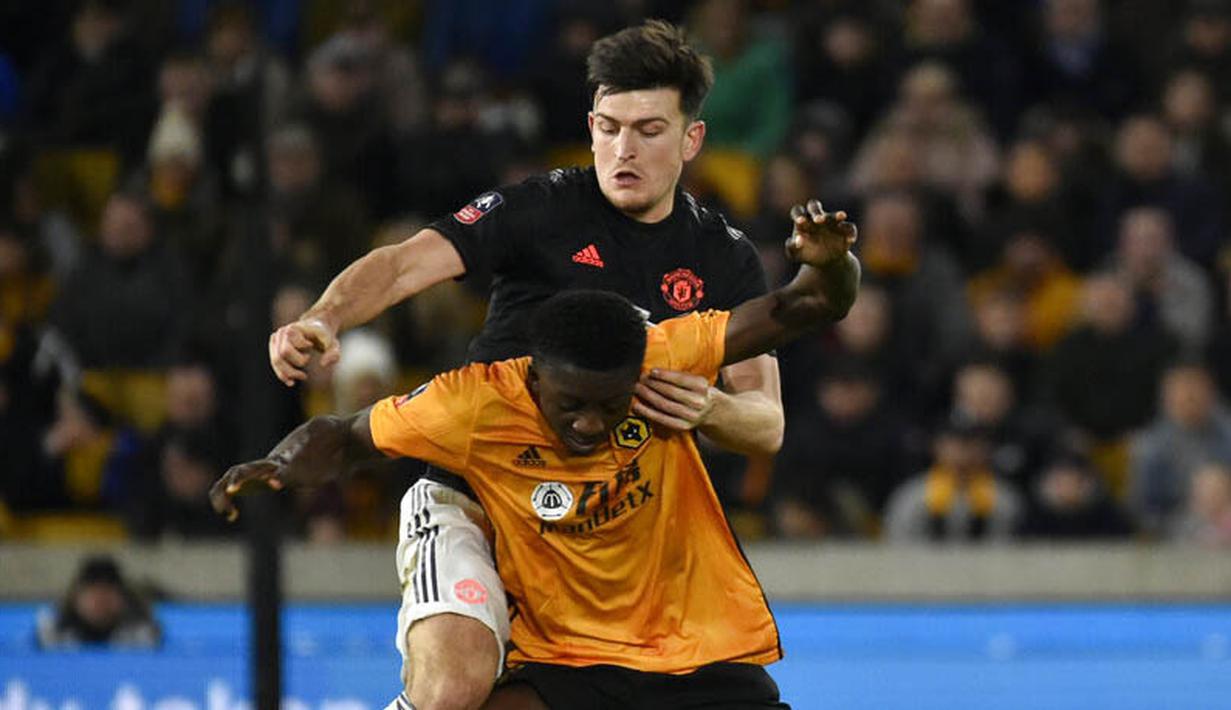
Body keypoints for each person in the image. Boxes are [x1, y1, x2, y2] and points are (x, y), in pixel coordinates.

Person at [266, 21, 790, 710]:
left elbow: (767, 424)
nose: (622, 149)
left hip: (600, 527)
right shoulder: (540, 208)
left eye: (649, 130)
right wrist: (323, 316)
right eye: (608, 127)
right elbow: (403, 263)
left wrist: (714, 409)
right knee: (453, 688)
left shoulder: (722, 257)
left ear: (691, 140)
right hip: (476, 491)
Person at [213, 200, 859, 709]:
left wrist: (830, 265)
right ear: (534, 380)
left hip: (668, 642)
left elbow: (802, 304)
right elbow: (345, 435)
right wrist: (274, 465)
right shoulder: (472, 403)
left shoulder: (661, 354)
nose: (588, 422)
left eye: (610, 405)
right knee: (450, 693)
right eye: (571, 403)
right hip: (492, 542)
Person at [36, 554, 161, 649]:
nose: (101, 602)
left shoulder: (142, 636)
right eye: (94, 594)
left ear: (123, 599)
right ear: (76, 598)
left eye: (108, 593)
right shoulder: (54, 633)